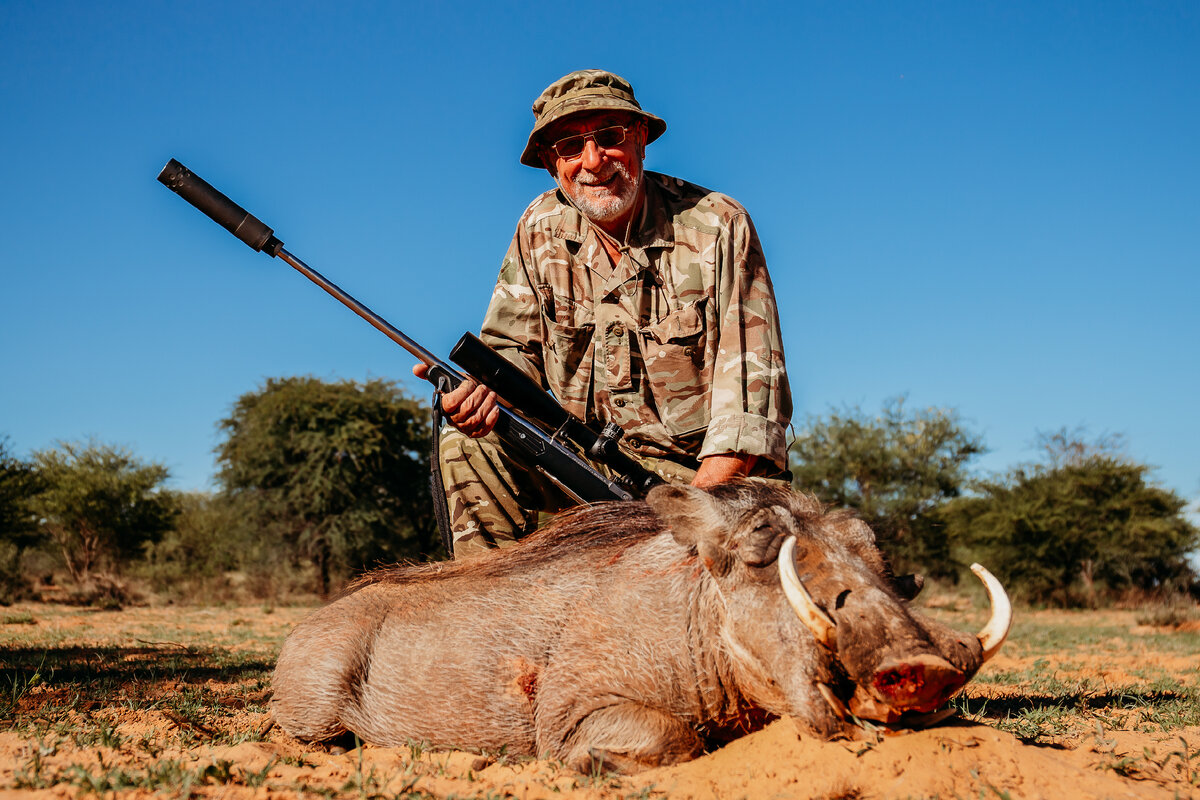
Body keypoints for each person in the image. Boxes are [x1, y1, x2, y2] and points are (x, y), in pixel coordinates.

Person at [416, 69, 792, 556]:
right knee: (469, 445)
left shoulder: (718, 224)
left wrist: (681, 524)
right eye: (570, 147)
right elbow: (512, 355)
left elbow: (748, 413)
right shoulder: (538, 226)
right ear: (553, 165)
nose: (592, 161)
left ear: (639, 140)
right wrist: (480, 395)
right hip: (591, 465)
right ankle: (496, 623)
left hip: (710, 478)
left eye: (609, 136)